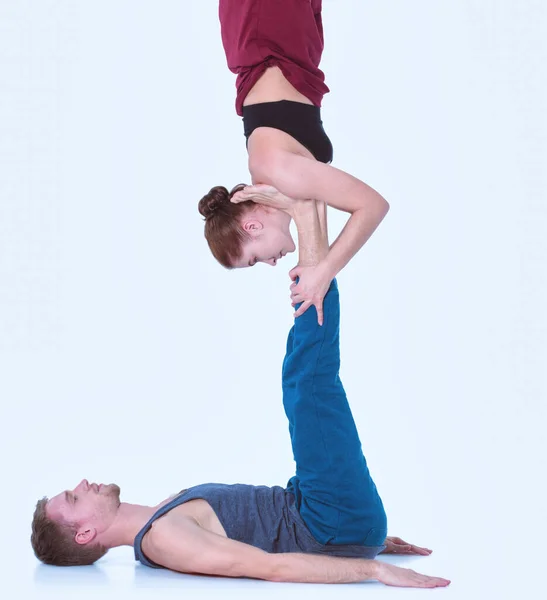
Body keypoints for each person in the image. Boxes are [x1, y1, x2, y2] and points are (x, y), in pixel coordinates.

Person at [31, 199, 450, 589]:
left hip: (328, 516)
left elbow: (267, 526)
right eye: (73, 496)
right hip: (327, 521)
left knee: (302, 377)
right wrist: (371, 568)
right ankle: (307, 209)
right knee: (308, 382)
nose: (82, 483)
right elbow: (269, 567)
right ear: (85, 533)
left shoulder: (163, 515)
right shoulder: (164, 540)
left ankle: (310, 213)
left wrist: (369, 540)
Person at [199, 0, 390, 322]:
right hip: (281, 43)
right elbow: (312, 226)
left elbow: (374, 206)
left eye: (255, 259)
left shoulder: (281, 174)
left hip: (266, 28)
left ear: (253, 226)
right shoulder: (284, 187)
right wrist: (317, 272)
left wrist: (325, 271)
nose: (271, 263)